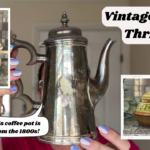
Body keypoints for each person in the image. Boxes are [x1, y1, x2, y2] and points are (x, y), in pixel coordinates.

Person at [0, 45, 140, 150]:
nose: (64, 90)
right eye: (55, 82)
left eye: (74, 80)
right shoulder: (17, 142)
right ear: (40, 92)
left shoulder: (117, 144)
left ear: (87, 89)